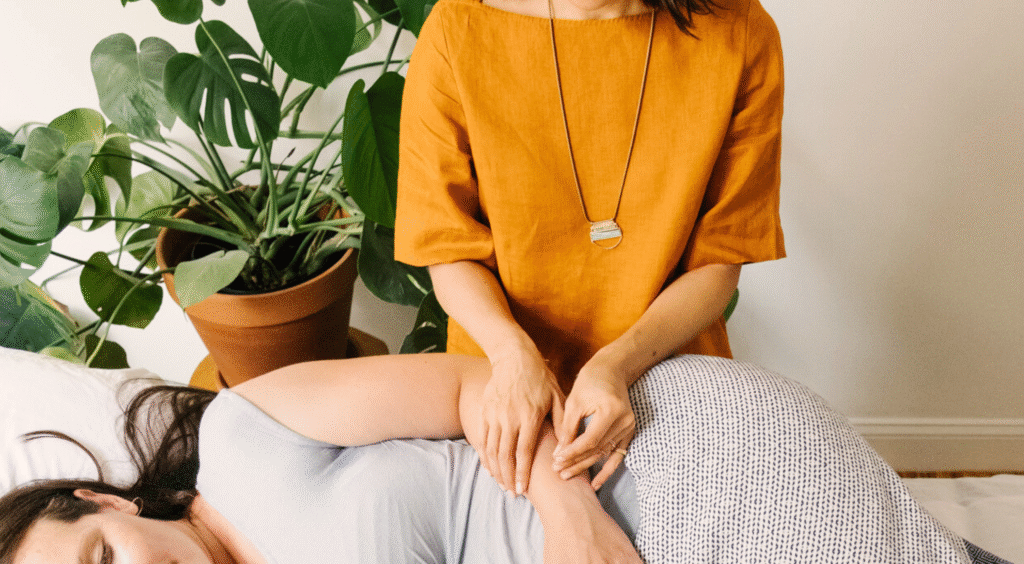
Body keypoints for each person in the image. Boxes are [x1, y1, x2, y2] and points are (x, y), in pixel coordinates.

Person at [395, 0, 785, 500]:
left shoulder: (738, 35)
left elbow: (722, 258)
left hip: (667, 375)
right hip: (502, 383)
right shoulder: (457, 33)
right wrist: (514, 359)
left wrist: (616, 366)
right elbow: (446, 246)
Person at [0, 354, 1004, 564]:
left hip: (642, 471)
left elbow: (481, 388)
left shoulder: (244, 439)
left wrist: (570, 517)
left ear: (104, 500)